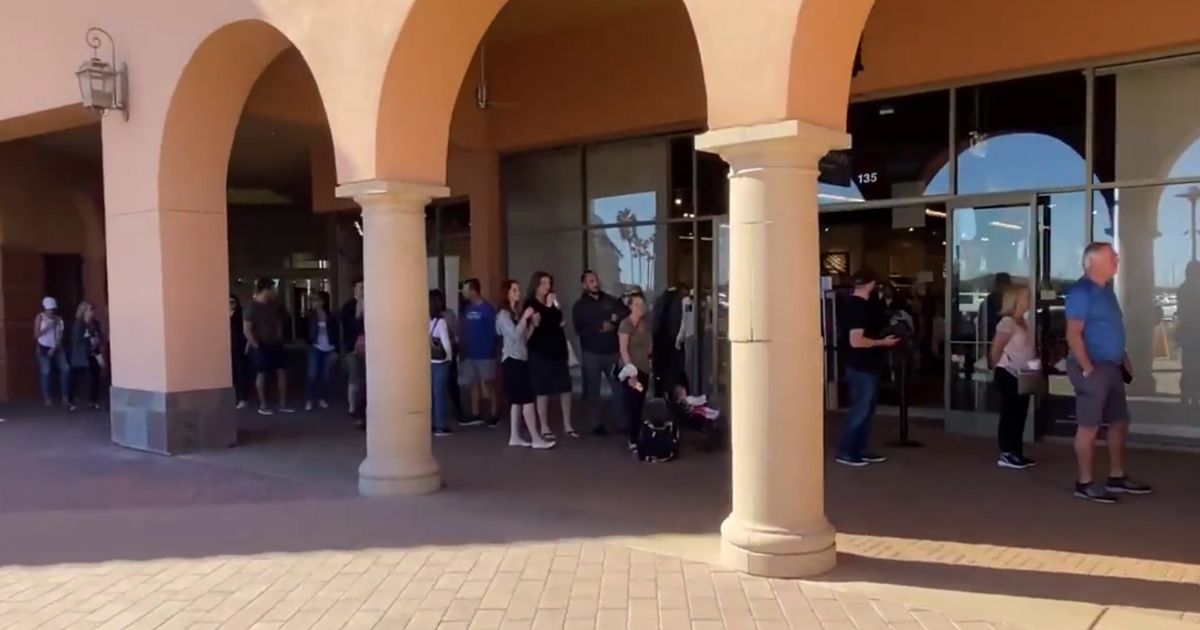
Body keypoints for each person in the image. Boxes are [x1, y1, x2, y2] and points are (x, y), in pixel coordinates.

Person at [1065, 242, 1152, 503]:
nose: (1116, 259)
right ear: (1093, 262)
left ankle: (1116, 477)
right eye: (1111, 256)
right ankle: (1084, 483)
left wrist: (1122, 357)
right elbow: (1073, 334)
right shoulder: (1082, 292)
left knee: (1118, 422)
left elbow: (1110, 328)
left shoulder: (1106, 291)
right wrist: (1088, 367)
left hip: (1111, 366)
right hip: (1092, 368)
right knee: (1089, 426)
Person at [836, 270, 899, 466]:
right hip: (861, 365)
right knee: (861, 408)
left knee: (866, 408)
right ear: (871, 284)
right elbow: (856, 341)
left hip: (862, 364)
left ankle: (858, 449)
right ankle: (848, 450)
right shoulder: (858, 308)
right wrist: (882, 342)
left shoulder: (854, 305)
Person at [496, 279, 555, 449]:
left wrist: (533, 326)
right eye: (514, 290)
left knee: (517, 401)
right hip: (512, 361)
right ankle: (536, 438)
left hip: (521, 358)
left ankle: (515, 436)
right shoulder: (503, 315)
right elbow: (514, 336)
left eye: (518, 289)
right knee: (527, 399)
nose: (518, 293)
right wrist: (525, 318)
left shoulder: (514, 313)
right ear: (506, 293)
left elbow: (523, 339)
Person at [572, 270, 629, 436]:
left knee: (618, 387)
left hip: (612, 352)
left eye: (595, 280)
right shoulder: (580, 306)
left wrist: (614, 322)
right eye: (590, 281)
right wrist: (599, 328)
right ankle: (596, 424)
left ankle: (622, 421)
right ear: (584, 285)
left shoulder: (611, 300)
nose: (595, 283)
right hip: (591, 353)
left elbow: (624, 313)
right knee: (592, 390)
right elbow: (579, 328)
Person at [989, 284, 1037, 469]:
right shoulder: (1007, 323)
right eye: (1026, 296)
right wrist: (996, 368)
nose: (1029, 300)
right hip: (1008, 373)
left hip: (1022, 374)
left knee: (1020, 412)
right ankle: (1007, 452)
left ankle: (1016, 451)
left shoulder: (1024, 322)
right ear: (1016, 299)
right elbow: (996, 349)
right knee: (1010, 412)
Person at [525, 271, 576, 438]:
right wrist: (547, 307)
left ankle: (568, 424)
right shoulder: (531, 304)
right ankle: (544, 426)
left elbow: (558, 319)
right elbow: (537, 326)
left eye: (549, 283)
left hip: (558, 349)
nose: (547, 287)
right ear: (536, 286)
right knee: (543, 389)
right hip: (540, 351)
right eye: (544, 283)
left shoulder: (553, 301)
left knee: (565, 387)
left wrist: (553, 307)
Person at [244, 277, 293, 415]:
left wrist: (280, 336)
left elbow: (278, 321)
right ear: (265, 289)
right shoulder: (252, 307)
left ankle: (283, 403)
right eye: (272, 288)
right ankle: (263, 404)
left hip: (276, 343)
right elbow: (247, 329)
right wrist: (255, 344)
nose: (274, 291)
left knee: (282, 371)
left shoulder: (274, 304)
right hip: (261, 344)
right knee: (262, 374)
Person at [457, 278, 499, 427]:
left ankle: (494, 413)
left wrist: (492, 349)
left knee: (488, 383)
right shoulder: (467, 309)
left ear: (474, 291)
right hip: (470, 354)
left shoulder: (487, 309)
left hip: (485, 354)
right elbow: (463, 329)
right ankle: (475, 414)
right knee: (473, 384)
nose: (464, 292)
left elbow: (495, 331)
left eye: (466, 289)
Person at [618, 292, 653, 450]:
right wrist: (630, 370)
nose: (640, 307)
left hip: (644, 369)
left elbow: (649, 345)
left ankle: (638, 434)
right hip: (632, 370)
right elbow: (623, 348)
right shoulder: (626, 324)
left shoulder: (645, 323)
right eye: (637, 304)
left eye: (642, 304)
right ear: (630, 306)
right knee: (633, 403)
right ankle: (633, 438)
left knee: (639, 402)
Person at [34, 296, 72, 410]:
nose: (51, 312)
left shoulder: (58, 319)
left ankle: (65, 395)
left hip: (56, 347)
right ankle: (47, 397)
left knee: (66, 369)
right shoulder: (40, 318)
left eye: (52, 309)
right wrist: (47, 328)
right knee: (46, 372)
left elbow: (60, 336)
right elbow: (36, 334)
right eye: (49, 309)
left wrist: (54, 348)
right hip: (43, 346)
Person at [304, 291, 339, 412]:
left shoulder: (330, 316)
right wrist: (309, 342)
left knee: (325, 376)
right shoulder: (310, 315)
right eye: (314, 300)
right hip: (315, 347)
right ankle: (309, 399)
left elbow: (336, 332)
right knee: (312, 374)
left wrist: (336, 349)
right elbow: (304, 331)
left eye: (318, 300)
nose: (316, 303)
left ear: (323, 301)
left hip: (328, 348)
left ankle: (321, 398)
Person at [69, 301, 106, 410]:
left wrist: (98, 345)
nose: (92, 312)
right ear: (84, 311)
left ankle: (94, 401)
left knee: (95, 375)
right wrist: (89, 341)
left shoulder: (95, 324)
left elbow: (100, 337)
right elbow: (76, 340)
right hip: (80, 355)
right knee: (76, 378)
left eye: (93, 309)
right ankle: (71, 401)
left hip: (93, 353)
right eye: (90, 309)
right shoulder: (78, 325)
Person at [340, 279, 366, 424]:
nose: (363, 290)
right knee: (355, 379)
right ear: (354, 290)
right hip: (353, 348)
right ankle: (353, 407)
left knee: (366, 380)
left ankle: (361, 408)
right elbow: (350, 327)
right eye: (360, 287)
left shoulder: (373, 303)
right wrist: (359, 308)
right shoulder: (349, 307)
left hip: (370, 348)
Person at [429, 290, 454, 437]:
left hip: (429, 361)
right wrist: (450, 357)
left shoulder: (425, 320)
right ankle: (440, 425)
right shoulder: (441, 322)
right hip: (441, 361)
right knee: (440, 395)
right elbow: (446, 344)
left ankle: (432, 423)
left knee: (432, 394)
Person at [1177, 261, 1200, 407]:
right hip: (1195, 333)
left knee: (1187, 366)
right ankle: (1194, 396)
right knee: (1196, 366)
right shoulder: (1195, 289)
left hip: (1187, 333)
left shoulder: (1183, 289)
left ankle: (1186, 396)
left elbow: (1181, 312)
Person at [230, 295, 251, 409]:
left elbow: (246, 329)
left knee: (241, 371)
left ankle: (243, 398)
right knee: (232, 372)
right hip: (228, 346)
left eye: (232, 302)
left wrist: (248, 344)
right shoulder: (223, 311)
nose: (230, 304)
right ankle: (234, 398)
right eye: (228, 302)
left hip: (239, 345)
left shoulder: (240, 313)